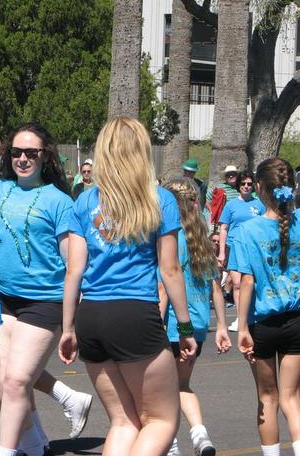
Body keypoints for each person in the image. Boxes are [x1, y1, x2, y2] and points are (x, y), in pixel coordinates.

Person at [59, 116, 196, 455]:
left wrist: (67, 328)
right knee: (160, 420)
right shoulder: (159, 199)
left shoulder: (85, 201)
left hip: (90, 315)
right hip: (134, 313)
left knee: (123, 421)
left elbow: (74, 271)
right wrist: (185, 325)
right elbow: (171, 269)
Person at [0, 123, 91, 456]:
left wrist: (70, 323)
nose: (21, 159)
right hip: (2, 298)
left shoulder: (59, 201)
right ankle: (36, 447)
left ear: (44, 157)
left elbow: (74, 264)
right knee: (5, 386)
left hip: (44, 301)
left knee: (17, 382)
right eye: (15, 152)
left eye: (30, 153)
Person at [230, 157, 300, 456]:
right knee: (292, 398)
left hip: (263, 323)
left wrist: (242, 326)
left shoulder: (247, 230)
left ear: (259, 188)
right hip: (296, 319)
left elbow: (245, 283)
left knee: (267, 399)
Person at [159, 178, 232, 456]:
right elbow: (216, 287)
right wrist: (222, 326)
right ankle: (200, 434)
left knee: (161, 392)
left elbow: (163, 288)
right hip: (199, 324)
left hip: (174, 326)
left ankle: (171, 444)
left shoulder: (170, 238)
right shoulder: (201, 239)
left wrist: (154, 321)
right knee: (182, 385)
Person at [218, 170, 265, 332]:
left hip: (253, 249)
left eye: (249, 184)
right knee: (237, 284)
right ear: (238, 186)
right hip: (234, 248)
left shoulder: (259, 204)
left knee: (252, 284)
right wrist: (222, 252)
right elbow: (223, 228)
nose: (246, 186)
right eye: (243, 184)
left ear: (253, 186)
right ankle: (241, 317)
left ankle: (252, 315)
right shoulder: (231, 205)